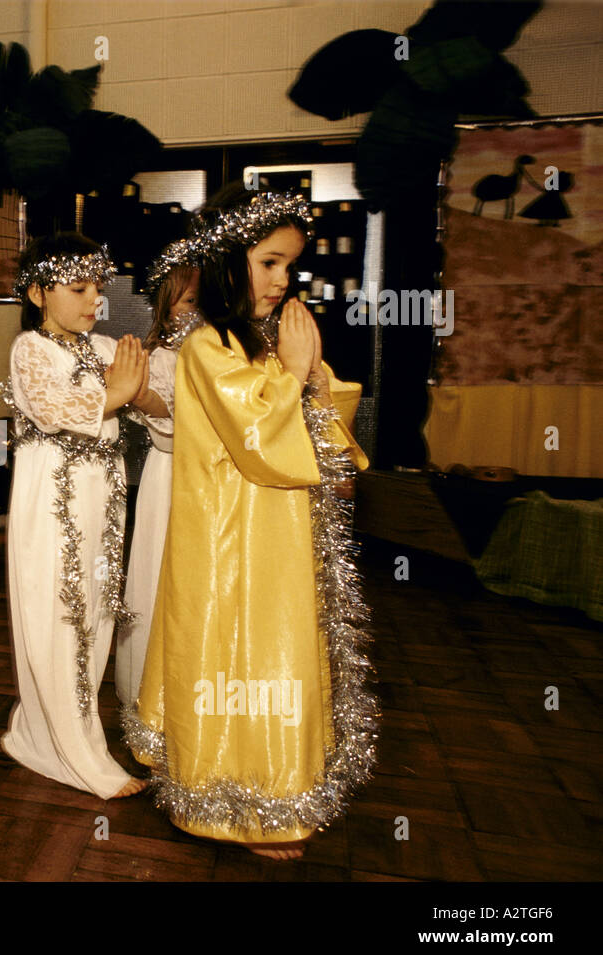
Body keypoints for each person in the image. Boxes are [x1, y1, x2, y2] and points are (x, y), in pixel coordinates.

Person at [123, 187, 378, 860]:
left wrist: (311, 379)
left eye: (289, 265)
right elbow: (257, 439)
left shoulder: (263, 344)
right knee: (238, 649)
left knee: (275, 644)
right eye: (268, 262)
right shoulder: (207, 346)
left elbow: (321, 428)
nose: (282, 279)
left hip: (279, 533)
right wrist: (293, 374)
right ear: (226, 262)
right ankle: (242, 800)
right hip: (229, 539)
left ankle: (266, 787)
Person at [1, 232, 154, 799]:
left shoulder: (105, 347)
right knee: (57, 610)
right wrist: (120, 392)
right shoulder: (30, 348)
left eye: (97, 287)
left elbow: (154, 402)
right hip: (52, 493)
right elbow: (55, 410)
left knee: (95, 613)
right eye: (78, 288)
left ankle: (58, 731)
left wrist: (145, 391)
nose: (95, 300)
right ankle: (63, 748)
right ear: (38, 293)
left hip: (101, 495)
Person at [114, 237, 202, 706]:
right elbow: (169, 434)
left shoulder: (218, 357)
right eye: (188, 302)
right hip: (171, 479)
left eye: (203, 302)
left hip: (208, 480)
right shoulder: (162, 360)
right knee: (161, 575)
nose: (196, 312)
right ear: (167, 310)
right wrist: (148, 400)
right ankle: (151, 693)